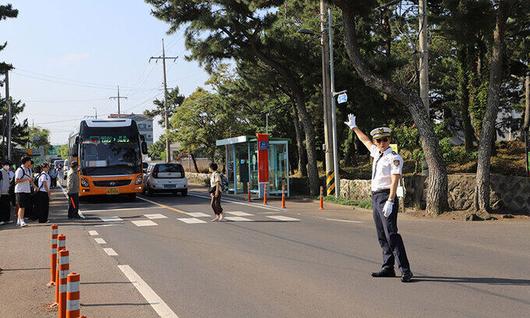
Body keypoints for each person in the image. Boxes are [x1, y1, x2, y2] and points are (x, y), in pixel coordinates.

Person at [345, 114, 413, 283]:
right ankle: (387, 267)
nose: (382, 143)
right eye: (379, 140)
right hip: (375, 197)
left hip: (385, 196)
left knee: (392, 234)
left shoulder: (394, 158)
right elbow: (364, 140)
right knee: (381, 234)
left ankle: (405, 269)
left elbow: (395, 179)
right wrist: (354, 127)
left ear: (389, 140)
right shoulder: (377, 153)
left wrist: (391, 200)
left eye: (385, 139)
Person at [14, 156, 33, 227]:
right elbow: (16, 180)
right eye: (29, 161)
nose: (30, 162)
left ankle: (19, 220)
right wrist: (27, 180)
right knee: (22, 206)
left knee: (23, 206)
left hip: (25, 190)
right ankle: (22, 221)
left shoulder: (27, 169)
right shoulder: (20, 170)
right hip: (20, 190)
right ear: (26, 161)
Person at [0, 161, 12, 225]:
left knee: (7, 206)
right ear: (2, 165)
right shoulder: (0, 172)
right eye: (6, 165)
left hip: (7, 192)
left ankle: (7, 219)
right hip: (2, 193)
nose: (8, 166)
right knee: (2, 207)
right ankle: (2, 219)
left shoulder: (7, 172)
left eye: (8, 165)